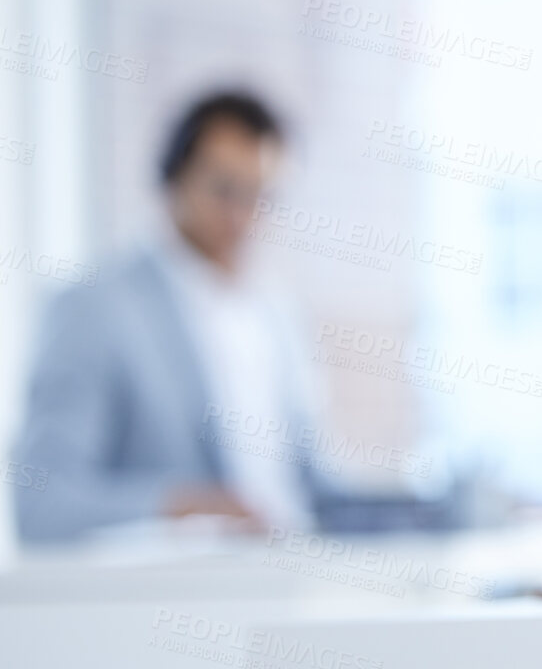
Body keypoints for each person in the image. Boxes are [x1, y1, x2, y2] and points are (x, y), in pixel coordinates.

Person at [13, 91, 323, 542]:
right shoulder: (94, 307)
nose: (243, 217)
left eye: (262, 196)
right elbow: (43, 503)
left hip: (296, 579)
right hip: (181, 595)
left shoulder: (276, 315)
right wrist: (180, 506)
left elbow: (311, 484)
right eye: (225, 191)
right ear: (173, 179)